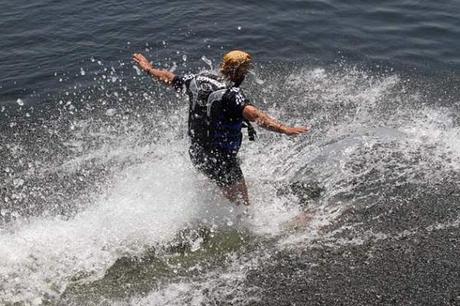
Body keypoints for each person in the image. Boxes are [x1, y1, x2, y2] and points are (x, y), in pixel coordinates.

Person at [133, 50, 309, 206]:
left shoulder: (198, 80)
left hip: (197, 153)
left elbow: (169, 78)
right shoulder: (231, 94)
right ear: (243, 72)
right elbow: (255, 116)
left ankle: (221, 194)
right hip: (222, 160)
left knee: (221, 182)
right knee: (243, 207)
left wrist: (148, 68)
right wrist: (285, 129)